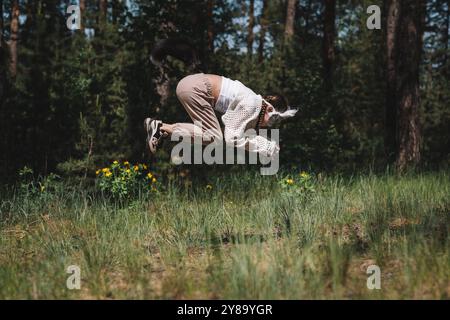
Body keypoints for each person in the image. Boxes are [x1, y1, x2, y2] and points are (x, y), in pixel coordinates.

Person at [145, 39, 297, 159]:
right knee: (214, 137)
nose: (270, 125)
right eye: (274, 120)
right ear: (269, 109)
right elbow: (231, 139)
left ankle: (162, 130)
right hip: (196, 88)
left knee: (211, 136)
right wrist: (266, 146)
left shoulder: (252, 105)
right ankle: (162, 128)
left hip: (192, 87)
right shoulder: (253, 104)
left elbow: (230, 133)